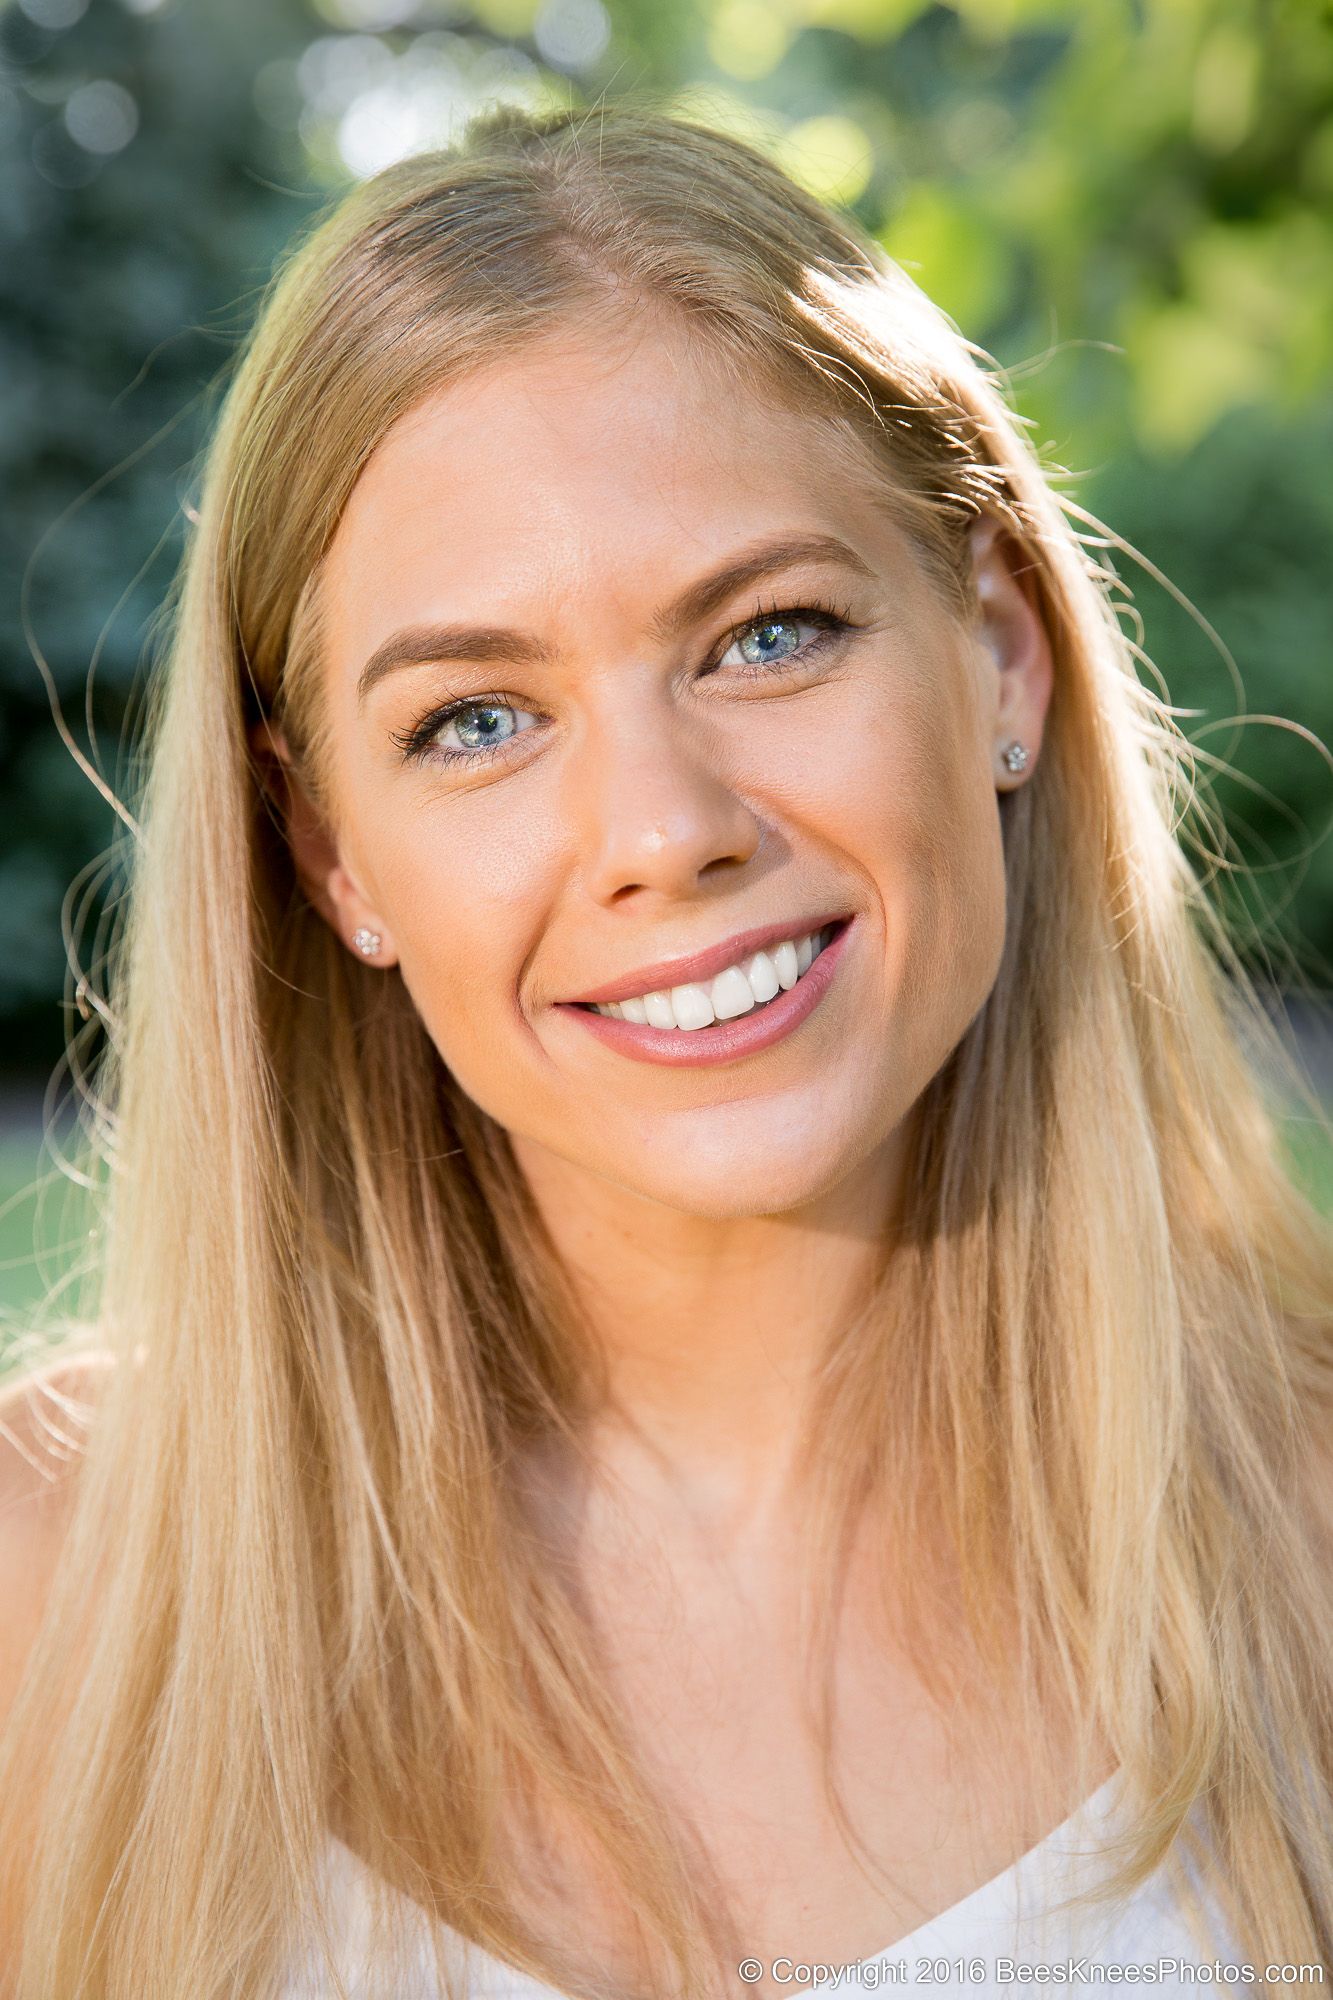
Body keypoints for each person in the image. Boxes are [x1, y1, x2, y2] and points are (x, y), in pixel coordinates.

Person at [0, 99, 1330, 2000]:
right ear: (326, 854)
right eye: (474, 721)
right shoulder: (54, 1597)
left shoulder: (1310, 1542)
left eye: (769, 634)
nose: (662, 829)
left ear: (1001, 661)